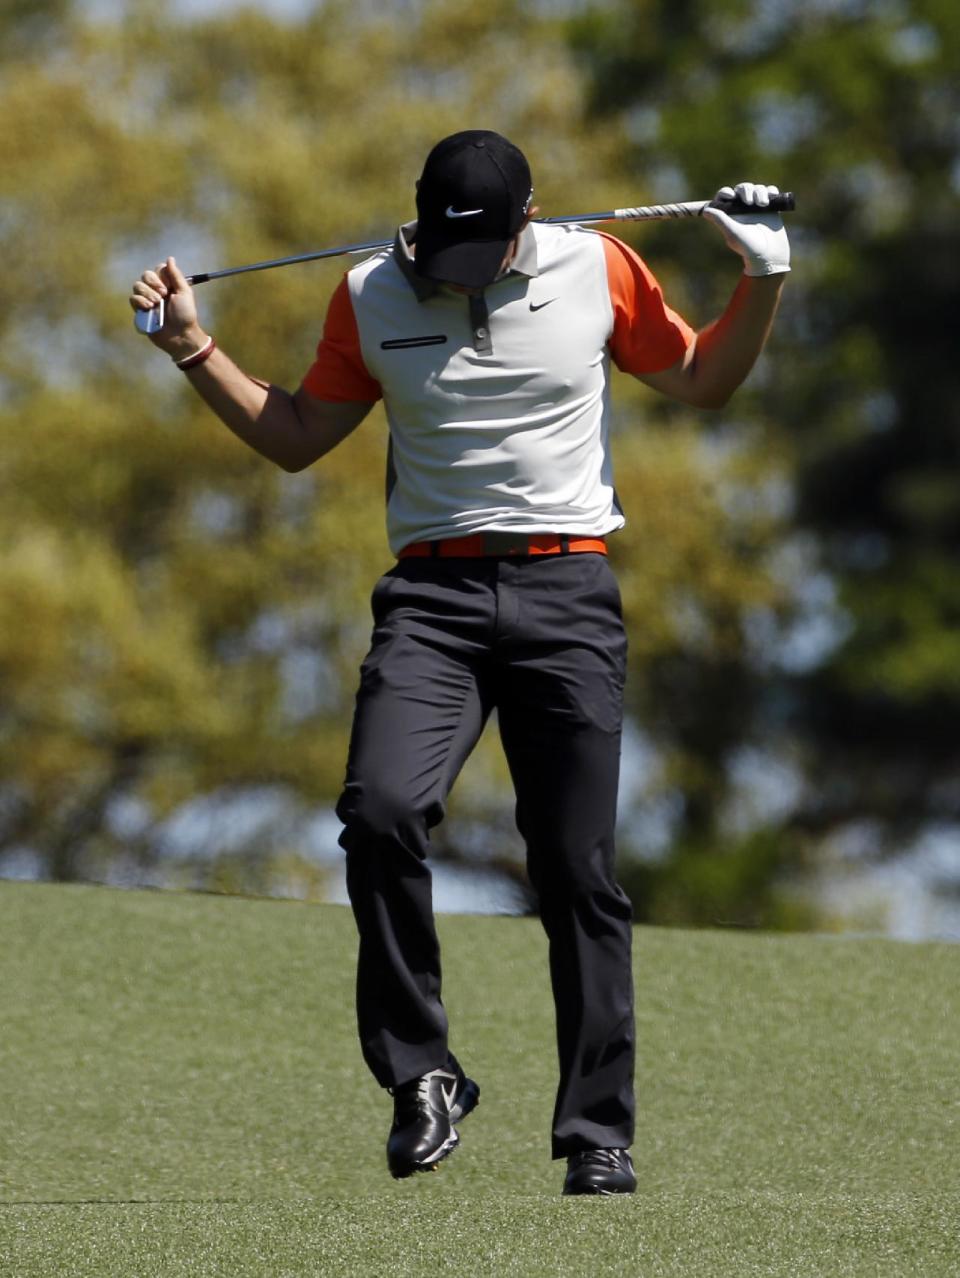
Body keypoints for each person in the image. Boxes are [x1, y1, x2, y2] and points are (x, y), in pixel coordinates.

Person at [130, 129, 789, 1196]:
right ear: (421, 219)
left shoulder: (599, 266)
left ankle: (597, 1132)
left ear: (531, 221)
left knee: (577, 871)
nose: (461, 275)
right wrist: (193, 350)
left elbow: (705, 379)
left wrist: (761, 273)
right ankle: (422, 1073)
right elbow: (298, 436)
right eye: (448, 251)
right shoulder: (368, 293)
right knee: (380, 810)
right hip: (432, 603)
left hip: (569, 593)